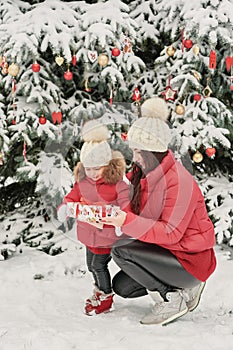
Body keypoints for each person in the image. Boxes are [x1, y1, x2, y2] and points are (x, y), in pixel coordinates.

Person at [101, 97, 217, 326]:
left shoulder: (178, 182)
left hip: (190, 260)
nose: (133, 157)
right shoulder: (142, 173)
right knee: (122, 287)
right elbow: (130, 211)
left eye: (137, 151)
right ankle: (176, 288)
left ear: (152, 151)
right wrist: (109, 216)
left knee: (121, 251)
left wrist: (126, 221)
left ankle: (173, 297)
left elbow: (171, 233)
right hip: (168, 252)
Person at [57, 119, 129, 315]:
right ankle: (99, 290)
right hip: (89, 233)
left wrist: (122, 219)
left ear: (107, 165)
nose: (93, 173)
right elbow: (72, 196)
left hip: (105, 235)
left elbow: (125, 203)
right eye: (88, 169)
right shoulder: (83, 181)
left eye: (97, 168)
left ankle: (106, 295)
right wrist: (66, 206)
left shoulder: (117, 184)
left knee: (99, 265)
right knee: (91, 265)